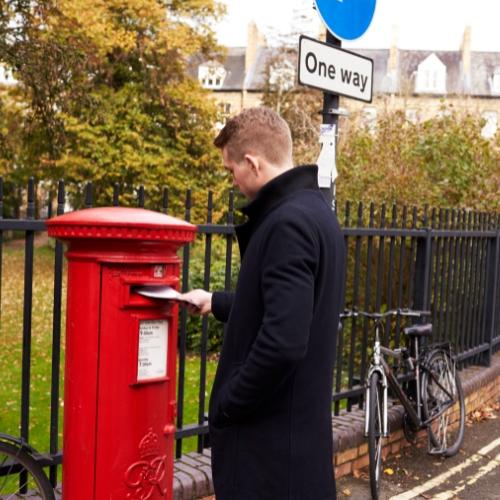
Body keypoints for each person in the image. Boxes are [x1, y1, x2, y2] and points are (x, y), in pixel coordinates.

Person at [179, 107, 346, 500]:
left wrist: (229, 404)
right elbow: (286, 307)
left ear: (252, 163)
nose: (232, 180)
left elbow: (284, 340)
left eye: (231, 169)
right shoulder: (318, 212)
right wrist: (216, 302)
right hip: (299, 449)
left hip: (270, 458)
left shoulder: (286, 223)